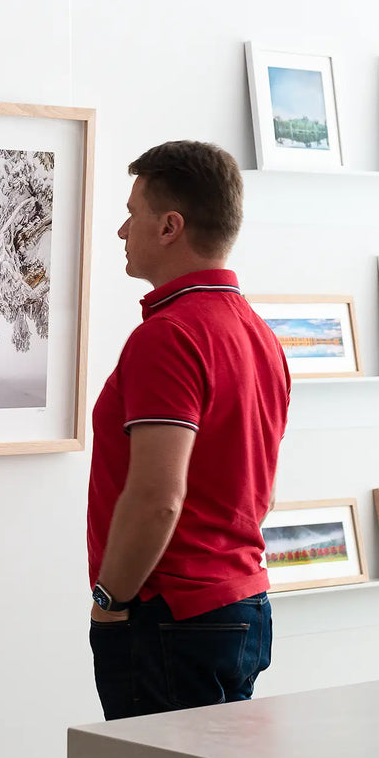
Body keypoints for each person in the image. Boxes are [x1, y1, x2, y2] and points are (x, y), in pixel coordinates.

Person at [87, 140, 290, 720]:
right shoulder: (258, 333)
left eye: (134, 213)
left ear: (170, 226)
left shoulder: (170, 336)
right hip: (241, 605)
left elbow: (157, 499)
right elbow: (261, 491)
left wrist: (110, 602)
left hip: (170, 616)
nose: (123, 231)